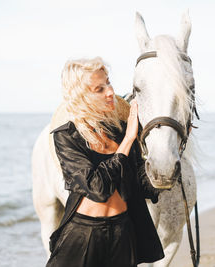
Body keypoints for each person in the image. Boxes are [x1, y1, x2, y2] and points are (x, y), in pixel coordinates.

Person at [46, 57, 164, 267]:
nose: (110, 92)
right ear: (81, 96)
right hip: (84, 234)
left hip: (123, 232)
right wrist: (128, 140)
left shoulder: (120, 129)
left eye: (108, 82)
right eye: (99, 89)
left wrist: (166, 154)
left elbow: (144, 186)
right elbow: (97, 188)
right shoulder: (67, 137)